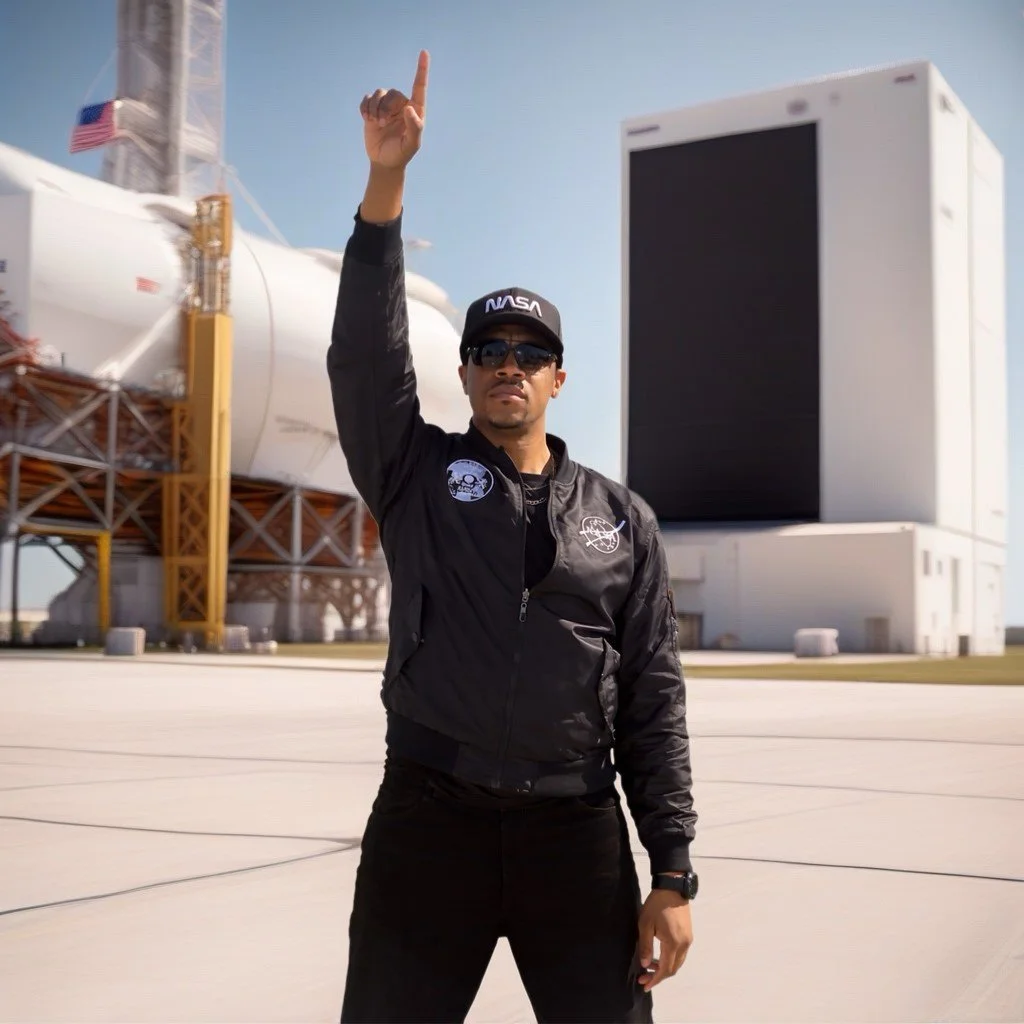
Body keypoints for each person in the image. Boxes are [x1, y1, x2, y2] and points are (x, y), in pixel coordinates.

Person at [327, 50, 698, 1024]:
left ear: (557, 379)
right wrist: (386, 180)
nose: (509, 367)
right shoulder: (413, 475)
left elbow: (653, 696)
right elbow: (363, 359)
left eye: (531, 355)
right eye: (490, 351)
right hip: (429, 819)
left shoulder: (622, 518)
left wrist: (672, 869)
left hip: (573, 831)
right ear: (465, 372)